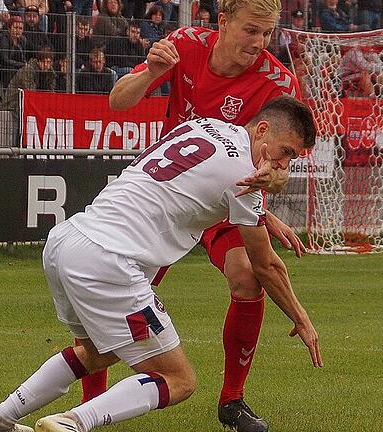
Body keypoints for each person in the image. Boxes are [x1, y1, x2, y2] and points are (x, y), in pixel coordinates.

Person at [0, 96, 322, 432]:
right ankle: (72, 423)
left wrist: (265, 200)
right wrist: (302, 319)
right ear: (262, 130)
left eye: (291, 159)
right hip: (110, 261)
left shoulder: (205, 126)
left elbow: (202, 180)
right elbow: (266, 267)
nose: (281, 164)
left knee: (94, 352)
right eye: (284, 152)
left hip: (68, 241)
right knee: (179, 380)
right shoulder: (245, 177)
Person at [107, 1, 305, 431]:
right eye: (251, 31)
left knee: (249, 276)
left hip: (228, 201)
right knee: (114, 292)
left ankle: (232, 400)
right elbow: (118, 102)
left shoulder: (277, 82)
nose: (259, 43)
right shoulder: (184, 45)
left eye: (267, 34)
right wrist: (150, 71)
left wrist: (269, 189)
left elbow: (277, 168)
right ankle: (87, 405)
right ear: (222, 22)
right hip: (168, 198)